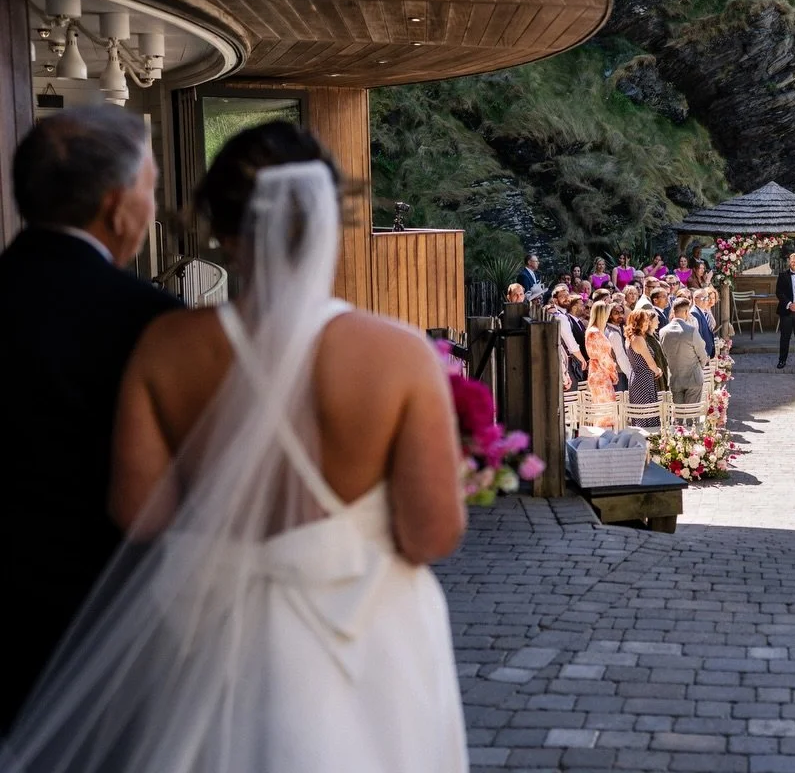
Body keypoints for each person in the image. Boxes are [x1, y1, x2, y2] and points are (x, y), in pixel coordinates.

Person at [6, 122, 468, 770]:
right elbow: (431, 535)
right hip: (365, 640)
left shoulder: (164, 346)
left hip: (213, 639)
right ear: (325, 220)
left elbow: (141, 513)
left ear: (221, 227)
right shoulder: (397, 355)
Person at [0, 107, 183, 732]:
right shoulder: (150, 321)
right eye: (151, 188)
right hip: (102, 620)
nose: (152, 206)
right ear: (116, 205)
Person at [659, 298, 708, 405]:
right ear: (686, 312)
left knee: (679, 415)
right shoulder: (691, 330)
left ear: (673, 311)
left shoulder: (663, 332)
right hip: (693, 378)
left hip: (675, 377)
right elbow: (702, 354)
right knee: (691, 415)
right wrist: (700, 367)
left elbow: (664, 354)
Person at [623, 310, 662, 427]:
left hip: (637, 377)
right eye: (644, 321)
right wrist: (658, 370)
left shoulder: (629, 337)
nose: (647, 323)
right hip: (643, 379)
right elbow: (650, 362)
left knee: (640, 414)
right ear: (637, 322)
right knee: (647, 414)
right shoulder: (638, 339)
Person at [585, 301, 619, 426]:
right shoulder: (594, 333)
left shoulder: (594, 331)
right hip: (600, 374)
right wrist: (613, 373)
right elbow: (603, 357)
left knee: (606, 410)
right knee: (605, 412)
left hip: (599, 372)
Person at [605, 302, 632, 392]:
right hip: (620, 372)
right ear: (609, 315)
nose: (620, 315)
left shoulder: (618, 328)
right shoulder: (613, 333)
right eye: (616, 313)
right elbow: (620, 357)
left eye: (621, 312)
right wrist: (630, 375)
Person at [642, 307, 670, 394]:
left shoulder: (655, 335)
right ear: (649, 322)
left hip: (662, 372)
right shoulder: (646, 339)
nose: (658, 322)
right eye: (656, 320)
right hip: (656, 376)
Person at [692, 287, 717, 358]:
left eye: (706, 298)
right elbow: (699, 336)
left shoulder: (701, 311)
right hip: (703, 353)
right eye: (704, 299)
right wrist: (703, 354)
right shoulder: (695, 313)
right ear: (695, 299)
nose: (707, 301)